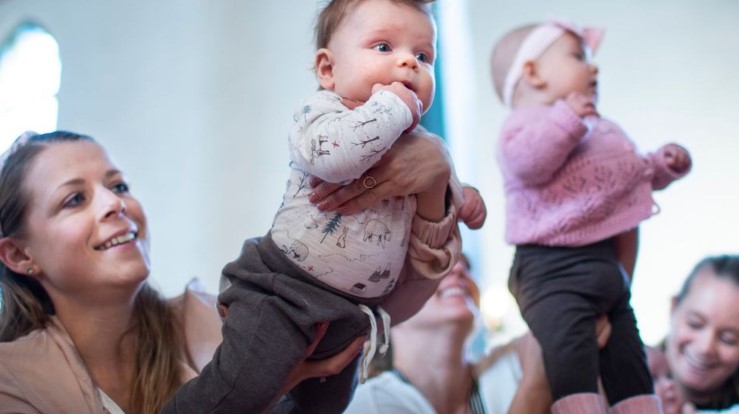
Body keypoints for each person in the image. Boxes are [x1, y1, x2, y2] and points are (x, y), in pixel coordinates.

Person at [216, 0, 484, 412]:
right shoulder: (323, 112)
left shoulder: (422, 147)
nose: (408, 64)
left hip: (352, 313)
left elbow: (432, 217)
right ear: (328, 69)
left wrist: (458, 192)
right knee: (235, 394)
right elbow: (336, 158)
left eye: (423, 55)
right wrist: (393, 108)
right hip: (285, 289)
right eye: (383, 47)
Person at [0, 131, 366, 414]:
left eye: (118, 186)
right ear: (18, 254)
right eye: (74, 199)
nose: (116, 204)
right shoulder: (11, 379)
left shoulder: (215, 320)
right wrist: (253, 395)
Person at [490, 20, 692, 413]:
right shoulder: (521, 126)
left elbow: (625, 174)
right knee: (572, 358)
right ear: (532, 72)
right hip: (552, 269)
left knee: (629, 358)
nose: (593, 67)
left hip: (605, 266)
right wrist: (567, 119)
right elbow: (529, 163)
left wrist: (661, 166)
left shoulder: (599, 129)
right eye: (579, 57)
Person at [648, 255, 739, 413]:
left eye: (728, 339)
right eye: (695, 324)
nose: (705, 348)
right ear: (673, 308)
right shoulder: (618, 374)